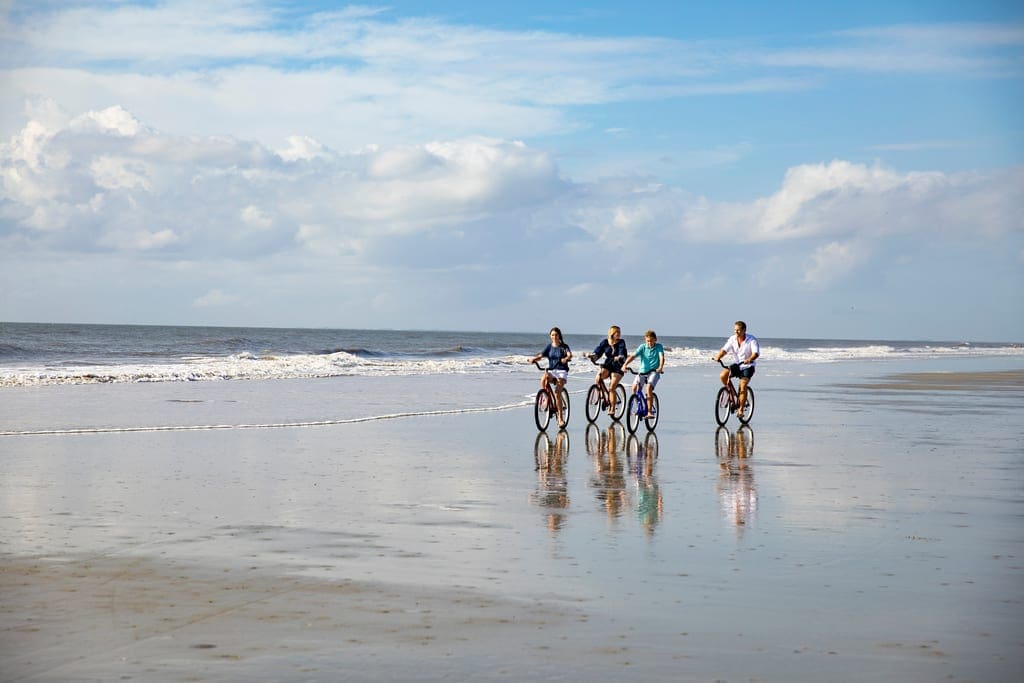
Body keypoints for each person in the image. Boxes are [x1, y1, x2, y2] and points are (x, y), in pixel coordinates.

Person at [712, 320, 760, 418]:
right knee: (723, 375)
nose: (736, 332)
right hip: (738, 365)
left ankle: (741, 409)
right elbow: (724, 350)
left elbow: (756, 353)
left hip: (748, 366)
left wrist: (750, 359)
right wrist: (718, 357)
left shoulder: (751, 340)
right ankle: (733, 394)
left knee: (743, 386)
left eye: (738, 330)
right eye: (735, 330)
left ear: (744, 330)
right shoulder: (732, 339)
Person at [529, 327, 572, 428]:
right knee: (544, 377)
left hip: (562, 372)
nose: (554, 337)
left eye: (556, 335)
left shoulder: (564, 346)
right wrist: (534, 359)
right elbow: (541, 356)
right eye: (552, 335)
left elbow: (570, 355)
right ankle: (545, 397)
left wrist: (566, 358)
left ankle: (560, 418)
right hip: (552, 371)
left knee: (557, 393)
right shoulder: (549, 347)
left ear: (559, 336)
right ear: (550, 336)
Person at [621, 330, 665, 416]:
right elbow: (633, 356)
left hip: (654, 372)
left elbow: (661, 357)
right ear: (645, 340)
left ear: (655, 339)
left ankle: (649, 411)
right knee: (634, 388)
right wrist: (625, 364)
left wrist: (660, 367)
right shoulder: (642, 347)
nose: (649, 343)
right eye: (648, 341)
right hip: (642, 371)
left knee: (648, 388)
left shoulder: (659, 347)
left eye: (651, 340)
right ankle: (637, 406)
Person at [586, 325, 627, 416]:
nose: (619, 334)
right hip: (608, 364)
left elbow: (622, 351)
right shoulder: (605, 342)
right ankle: (604, 395)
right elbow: (598, 352)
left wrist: (620, 357)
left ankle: (612, 407)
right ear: (612, 333)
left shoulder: (621, 342)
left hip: (618, 365)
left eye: (620, 332)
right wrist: (592, 356)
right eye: (617, 332)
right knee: (598, 378)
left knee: (612, 387)